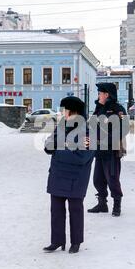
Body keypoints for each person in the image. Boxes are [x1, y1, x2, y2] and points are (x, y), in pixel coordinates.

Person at [43, 96, 94, 254]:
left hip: (76, 177)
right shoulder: (61, 126)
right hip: (58, 174)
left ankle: (76, 241)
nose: (62, 113)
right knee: (56, 210)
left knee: (75, 210)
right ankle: (57, 240)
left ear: (74, 111)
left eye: (65, 109)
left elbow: (82, 157)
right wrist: (56, 146)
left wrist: (59, 149)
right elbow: (49, 143)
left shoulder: (88, 131)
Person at [87, 83, 128, 217]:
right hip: (98, 150)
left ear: (107, 94)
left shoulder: (118, 109)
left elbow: (123, 129)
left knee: (112, 178)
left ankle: (117, 204)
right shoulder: (99, 108)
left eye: (100, 93)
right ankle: (102, 204)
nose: (98, 95)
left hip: (111, 150)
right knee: (98, 179)